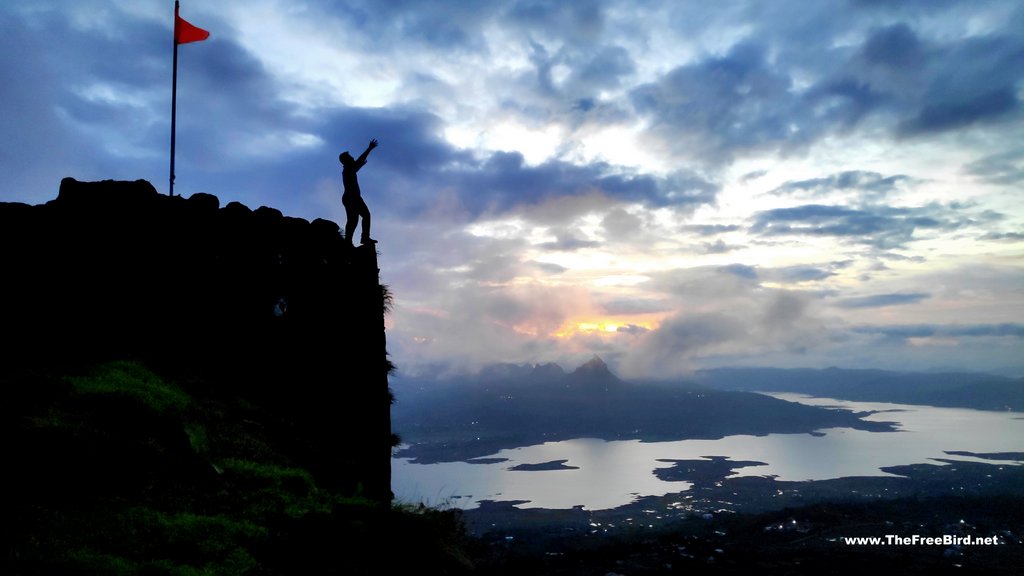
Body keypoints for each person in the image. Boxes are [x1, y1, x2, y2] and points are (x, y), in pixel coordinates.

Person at [339, 138, 379, 245]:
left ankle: (350, 241)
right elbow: (359, 160)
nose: (352, 158)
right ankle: (361, 239)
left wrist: (360, 164)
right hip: (352, 197)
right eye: (350, 157)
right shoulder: (348, 168)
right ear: (346, 160)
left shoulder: (348, 169)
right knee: (363, 216)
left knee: (353, 220)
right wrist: (369, 148)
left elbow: (357, 165)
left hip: (350, 197)